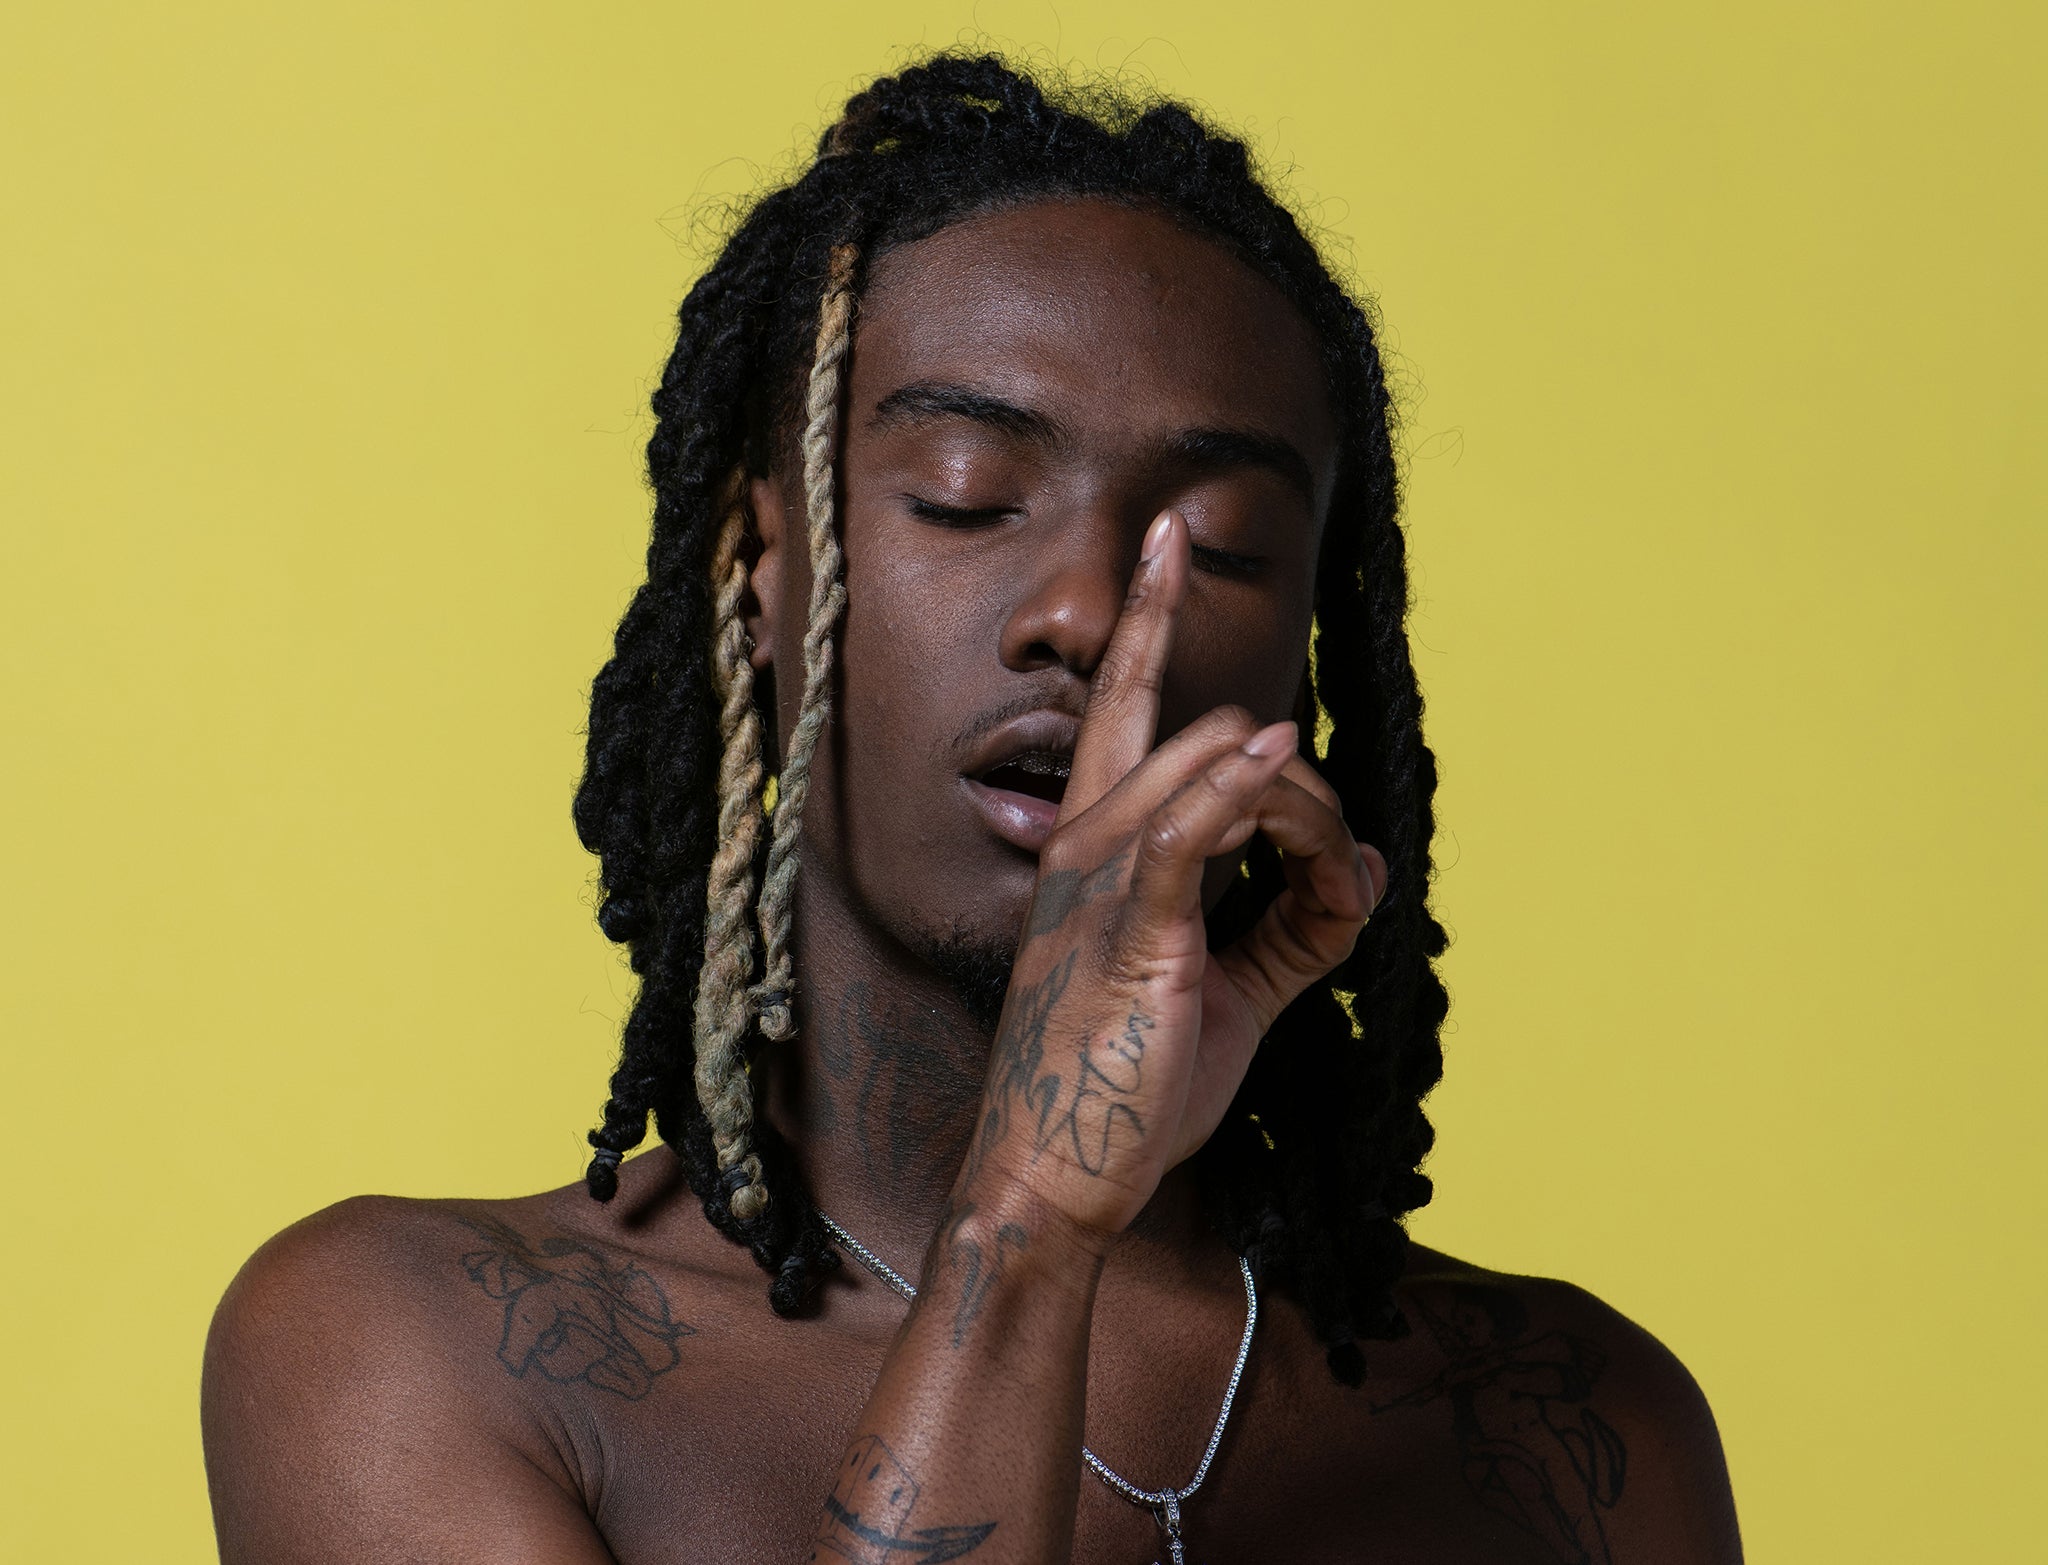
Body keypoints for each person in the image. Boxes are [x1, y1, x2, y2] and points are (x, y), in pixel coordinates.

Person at [200, 54, 1742, 1564]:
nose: (1088, 609)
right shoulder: (411, 1354)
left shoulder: (1576, 1429)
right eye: (964, 493)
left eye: (1223, 543)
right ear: (760, 571)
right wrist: (1031, 1221)